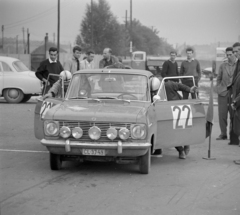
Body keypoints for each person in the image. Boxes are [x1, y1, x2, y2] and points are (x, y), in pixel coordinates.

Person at [151, 78, 198, 159]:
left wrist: (190, 90)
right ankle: (181, 150)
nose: (155, 91)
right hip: (163, 113)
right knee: (170, 132)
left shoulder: (168, 84)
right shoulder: (149, 91)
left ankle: (186, 144)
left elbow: (180, 85)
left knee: (183, 128)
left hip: (176, 108)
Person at [216, 47, 236, 141]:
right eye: (227, 55)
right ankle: (223, 134)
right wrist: (219, 89)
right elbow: (218, 78)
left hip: (234, 94)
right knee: (222, 115)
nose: (228, 56)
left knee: (233, 115)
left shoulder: (238, 65)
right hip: (223, 93)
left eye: (230, 54)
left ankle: (233, 134)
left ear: (234, 54)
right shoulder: (222, 66)